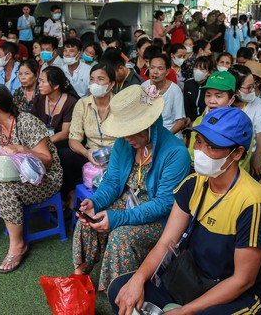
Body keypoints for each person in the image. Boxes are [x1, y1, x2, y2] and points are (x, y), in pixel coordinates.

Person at [110, 107, 261, 315]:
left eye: (212, 147)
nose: (201, 151)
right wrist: (137, 279)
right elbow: (165, 242)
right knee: (121, 289)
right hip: (191, 277)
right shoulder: (192, 184)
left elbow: (242, 281)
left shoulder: (252, 204)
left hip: (235, 293)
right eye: (198, 142)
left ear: (237, 153)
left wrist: (185, 311)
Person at [73, 84, 190, 291]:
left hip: (158, 216)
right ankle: (79, 280)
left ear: (150, 124)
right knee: (87, 221)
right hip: (127, 201)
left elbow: (164, 204)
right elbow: (112, 181)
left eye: (132, 133)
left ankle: (120, 292)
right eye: (124, 133)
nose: (127, 139)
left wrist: (118, 218)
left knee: (121, 236)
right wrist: (96, 202)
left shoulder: (176, 153)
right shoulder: (123, 143)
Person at [0, 83, 63, 273]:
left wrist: (22, 149)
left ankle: (18, 246)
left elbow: (47, 160)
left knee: (7, 188)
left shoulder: (26, 122)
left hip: (43, 179)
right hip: (10, 175)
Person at [31, 66, 80, 198]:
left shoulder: (70, 102)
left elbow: (65, 133)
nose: (39, 85)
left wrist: (44, 142)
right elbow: (32, 124)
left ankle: (67, 195)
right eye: (39, 81)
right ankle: (45, 192)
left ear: (56, 85)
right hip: (44, 141)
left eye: (43, 82)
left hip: (64, 143)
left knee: (61, 155)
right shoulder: (39, 99)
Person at [68, 63, 117, 167]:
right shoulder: (82, 104)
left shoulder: (121, 104)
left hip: (117, 154)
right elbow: (73, 138)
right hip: (91, 153)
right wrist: (86, 153)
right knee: (65, 155)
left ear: (111, 84)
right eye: (92, 79)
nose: (95, 83)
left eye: (100, 79)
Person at [186, 71, 236, 161]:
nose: (211, 101)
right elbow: (192, 153)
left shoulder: (237, 125)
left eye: (218, 96)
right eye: (208, 95)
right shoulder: (199, 121)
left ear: (231, 100)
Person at [230, 65, 261, 176]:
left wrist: (257, 156)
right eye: (248, 88)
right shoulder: (223, 103)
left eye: (254, 85)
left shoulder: (258, 103)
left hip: (250, 157)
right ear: (235, 89)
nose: (253, 90)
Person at [141, 54, 187, 137]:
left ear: (167, 71)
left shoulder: (175, 90)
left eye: (160, 68)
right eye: (152, 67)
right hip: (149, 133)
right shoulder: (144, 86)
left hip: (169, 133)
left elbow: (181, 121)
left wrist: (165, 137)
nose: (155, 72)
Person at [183, 55, 214, 122]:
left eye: (202, 69)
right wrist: (189, 119)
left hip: (206, 120)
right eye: (196, 67)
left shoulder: (212, 86)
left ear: (209, 72)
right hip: (188, 121)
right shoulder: (188, 83)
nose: (197, 71)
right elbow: (186, 106)